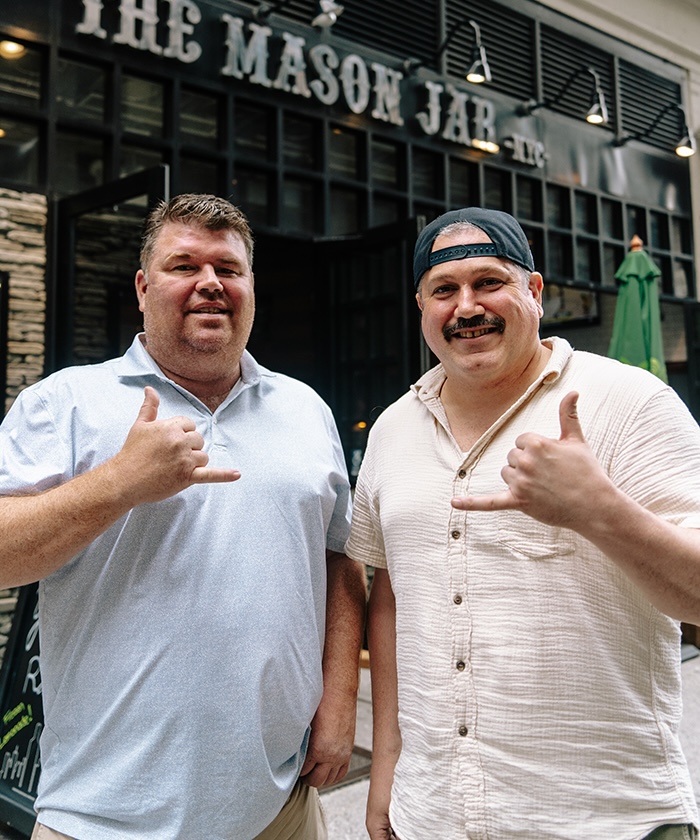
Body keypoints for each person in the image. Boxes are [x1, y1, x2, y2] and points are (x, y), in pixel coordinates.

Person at [0, 193, 366, 840]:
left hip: (278, 808)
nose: (210, 284)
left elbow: (338, 561)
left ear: (252, 287)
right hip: (101, 816)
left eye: (228, 269)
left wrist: (339, 708)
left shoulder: (305, 409)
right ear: (143, 287)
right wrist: (118, 483)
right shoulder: (65, 403)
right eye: (183, 266)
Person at [345, 205, 700, 840]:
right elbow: (392, 599)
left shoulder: (629, 403)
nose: (466, 306)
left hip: (604, 820)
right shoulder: (393, 428)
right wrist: (387, 772)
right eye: (444, 290)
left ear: (533, 292)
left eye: (489, 282)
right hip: (433, 817)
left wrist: (598, 510)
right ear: (421, 306)